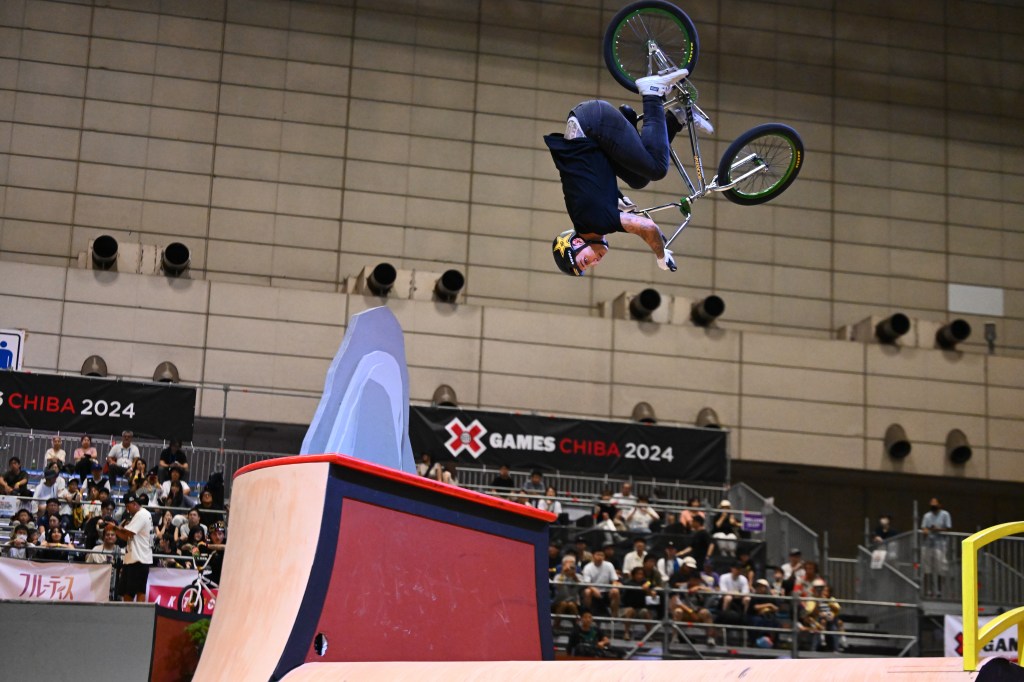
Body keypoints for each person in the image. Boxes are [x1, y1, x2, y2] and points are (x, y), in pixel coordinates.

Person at [544, 68, 692, 277]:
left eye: (585, 260)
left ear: (577, 242)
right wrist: (618, 199)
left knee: (657, 169)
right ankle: (676, 118)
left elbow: (647, 227)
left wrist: (661, 256)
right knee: (639, 179)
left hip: (592, 123)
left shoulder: (595, 221)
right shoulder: (589, 219)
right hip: (592, 129)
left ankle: (652, 93)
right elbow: (590, 179)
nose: (595, 262)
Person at [107, 493, 153, 602]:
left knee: (139, 591)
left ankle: (138, 616)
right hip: (133, 558)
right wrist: (114, 529)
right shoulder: (139, 515)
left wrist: (114, 527)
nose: (127, 510)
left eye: (128, 506)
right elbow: (124, 537)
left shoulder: (141, 515)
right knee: (127, 592)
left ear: (135, 504)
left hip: (139, 559)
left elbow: (128, 533)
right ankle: (129, 616)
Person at [921, 497, 952, 599]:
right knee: (927, 569)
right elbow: (924, 527)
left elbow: (947, 528)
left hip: (940, 545)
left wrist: (936, 529)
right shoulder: (927, 516)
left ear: (939, 505)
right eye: (931, 504)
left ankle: (939, 591)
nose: (933, 506)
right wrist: (926, 530)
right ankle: (928, 591)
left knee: (940, 569)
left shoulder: (945, 514)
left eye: (935, 504)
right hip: (928, 544)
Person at [581, 549, 621, 618]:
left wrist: (614, 586)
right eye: (598, 555)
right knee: (587, 591)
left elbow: (614, 580)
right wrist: (594, 589)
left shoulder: (609, 565)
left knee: (615, 591)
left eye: (602, 555)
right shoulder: (587, 567)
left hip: (607, 591)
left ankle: (614, 615)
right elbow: (587, 583)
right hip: (593, 591)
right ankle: (587, 614)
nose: (600, 557)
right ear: (593, 556)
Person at [746, 578, 782, 648]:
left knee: (776, 623)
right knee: (757, 621)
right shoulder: (754, 596)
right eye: (759, 586)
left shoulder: (770, 597)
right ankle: (754, 642)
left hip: (768, 616)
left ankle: (774, 643)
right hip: (754, 616)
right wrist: (769, 605)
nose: (761, 588)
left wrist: (769, 609)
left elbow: (776, 608)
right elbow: (755, 607)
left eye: (763, 586)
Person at [551, 556, 583, 628]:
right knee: (563, 604)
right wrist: (563, 573)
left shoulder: (578, 576)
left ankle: (577, 626)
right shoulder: (558, 576)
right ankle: (556, 625)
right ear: (563, 565)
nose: (569, 566)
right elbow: (557, 586)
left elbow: (581, 586)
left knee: (571, 604)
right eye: (567, 564)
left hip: (574, 601)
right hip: (559, 600)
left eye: (572, 564)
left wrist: (574, 575)